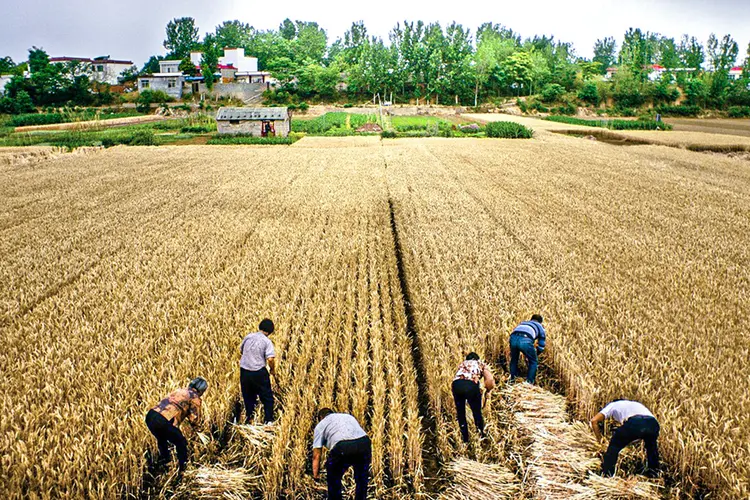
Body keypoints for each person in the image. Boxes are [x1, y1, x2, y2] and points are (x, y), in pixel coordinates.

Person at [145, 377, 207, 472]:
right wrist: (200, 431)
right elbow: (194, 419)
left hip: (151, 415)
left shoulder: (181, 390)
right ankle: (183, 469)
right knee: (181, 442)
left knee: (162, 439)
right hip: (163, 420)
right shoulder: (195, 397)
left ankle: (165, 465)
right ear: (202, 390)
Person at [590, 399, 660, 477]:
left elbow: (594, 421)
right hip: (653, 423)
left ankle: (607, 474)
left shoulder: (612, 405)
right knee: (651, 447)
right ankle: (654, 473)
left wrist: (600, 440)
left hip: (636, 421)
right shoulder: (635, 404)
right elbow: (639, 431)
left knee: (614, 445)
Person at [312, 408, 371, 500]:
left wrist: (315, 475)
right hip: (364, 443)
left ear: (320, 417)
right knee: (362, 479)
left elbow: (316, 456)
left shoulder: (321, 425)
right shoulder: (348, 416)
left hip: (343, 447)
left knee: (333, 477)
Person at [239, 318, 277, 424]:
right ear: (270, 331)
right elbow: (270, 359)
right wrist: (272, 370)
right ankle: (268, 420)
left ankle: (250, 418)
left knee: (248, 396)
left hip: (244, 371)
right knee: (267, 397)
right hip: (258, 372)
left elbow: (241, 351)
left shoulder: (248, 337)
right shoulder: (267, 341)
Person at [452, 352, 496, 443]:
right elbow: (490, 380)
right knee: (477, 411)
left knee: (461, 413)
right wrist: (488, 390)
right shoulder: (480, 363)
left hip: (456, 385)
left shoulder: (462, 364)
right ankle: (481, 434)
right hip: (470, 385)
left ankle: (465, 439)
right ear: (477, 359)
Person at [509, 314, 546, 384]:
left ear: (531, 319)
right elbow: (541, 346)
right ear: (540, 322)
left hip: (513, 338)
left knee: (514, 359)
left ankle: (512, 380)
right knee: (533, 361)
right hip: (525, 339)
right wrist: (535, 354)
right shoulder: (540, 326)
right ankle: (529, 383)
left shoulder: (523, 323)